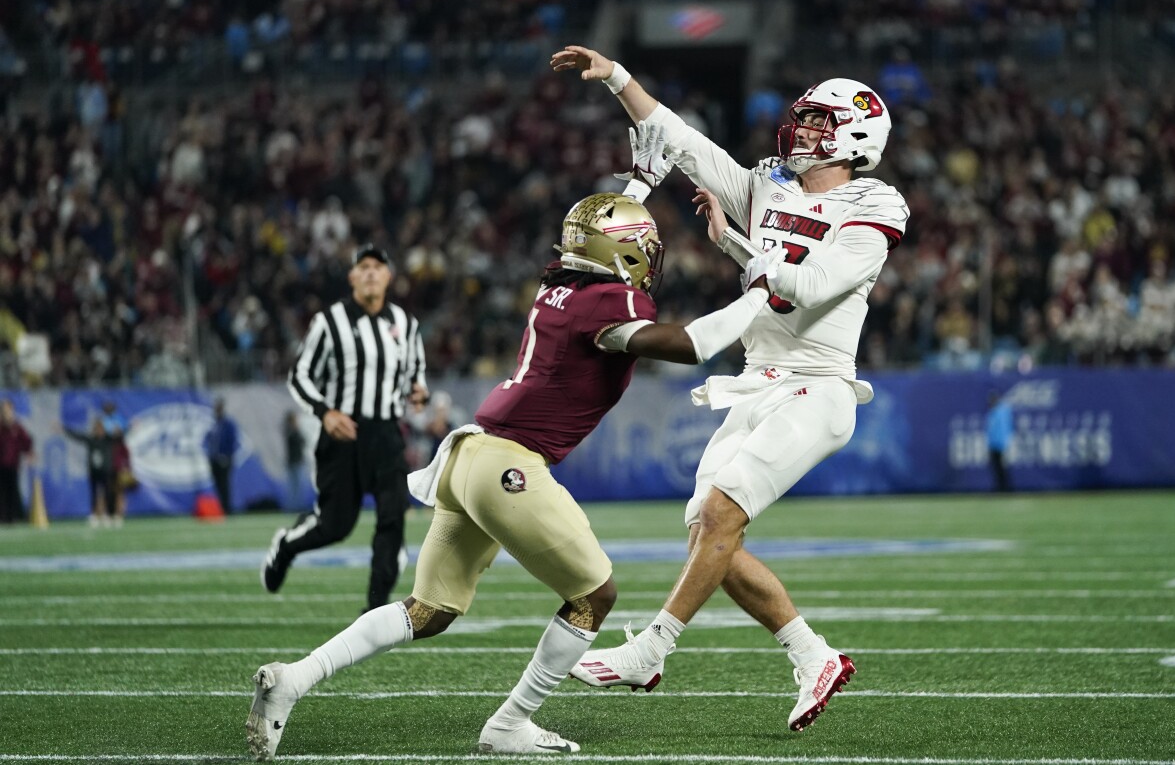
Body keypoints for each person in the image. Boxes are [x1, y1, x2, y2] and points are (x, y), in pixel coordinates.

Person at [245, 190, 782, 760]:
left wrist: (638, 185)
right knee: (594, 596)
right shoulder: (606, 302)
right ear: (622, 254)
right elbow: (692, 345)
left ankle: (293, 679)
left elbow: (593, 229)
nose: (649, 259)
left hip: (467, 455)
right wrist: (757, 293)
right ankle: (510, 723)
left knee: (426, 612)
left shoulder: (562, 290)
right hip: (510, 467)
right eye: (641, 247)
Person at [551, 44, 910, 731]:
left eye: (817, 123)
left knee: (718, 513)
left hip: (819, 387)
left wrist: (735, 246)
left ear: (855, 137)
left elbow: (808, 288)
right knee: (708, 530)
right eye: (803, 120)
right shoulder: (771, 182)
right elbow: (683, 143)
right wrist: (619, 79)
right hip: (756, 381)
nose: (800, 132)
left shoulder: (877, 204)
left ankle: (652, 648)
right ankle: (814, 656)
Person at [261, 243, 429, 612]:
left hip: (386, 433)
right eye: (363, 266)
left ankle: (375, 608)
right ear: (352, 276)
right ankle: (287, 545)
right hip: (343, 435)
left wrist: (418, 392)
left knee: (393, 515)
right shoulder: (330, 321)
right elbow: (299, 375)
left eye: (377, 266)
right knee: (335, 525)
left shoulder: (406, 324)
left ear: (388, 276)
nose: (370, 272)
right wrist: (325, 412)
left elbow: (415, 373)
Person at [61, 417, 123, 527]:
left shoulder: (108, 439)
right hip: (94, 471)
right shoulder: (92, 439)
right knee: (94, 493)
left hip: (105, 471)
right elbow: (78, 436)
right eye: (97, 429)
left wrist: (129, 428)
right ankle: (94, 514)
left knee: (108, 493)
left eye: (100, 429)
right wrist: (63, 429)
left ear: (103, 429)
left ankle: (108, 514)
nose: (99, 431)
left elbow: (119, 438)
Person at [0, 399, 33, 525]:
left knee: (12, 490)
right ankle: (3, 516)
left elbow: (26, 442)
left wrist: (29, 452)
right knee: (1, 491)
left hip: (13, 464)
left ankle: (12, 516)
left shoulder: (17, 427)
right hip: (1, 465)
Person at [204, 398, 239, 515]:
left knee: (224, 485)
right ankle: (221, 509)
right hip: (214, 459)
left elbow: (233, 441)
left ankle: (227, 509)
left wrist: (227, 456)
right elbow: (209, 440)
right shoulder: (214, 424)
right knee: (218, 485)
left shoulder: (228, 424)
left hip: (224, 460)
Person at [986, 390, 1015, 492]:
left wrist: (1005, 443)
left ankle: (1004, 487)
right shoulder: (993, 412)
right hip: (994, 444)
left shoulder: (1001, 412)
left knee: (1001, 467)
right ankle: (1000, 487)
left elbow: (1004, 429)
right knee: (997, 468)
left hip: (1001, 444)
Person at [282, 411, 307, 512]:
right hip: (293, 462)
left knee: (298, 486)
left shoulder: (295, 432)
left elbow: (304, 441)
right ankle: (292, 507)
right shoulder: (290, 432)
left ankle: (297, 506)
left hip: (297, 461)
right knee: (293, 487)